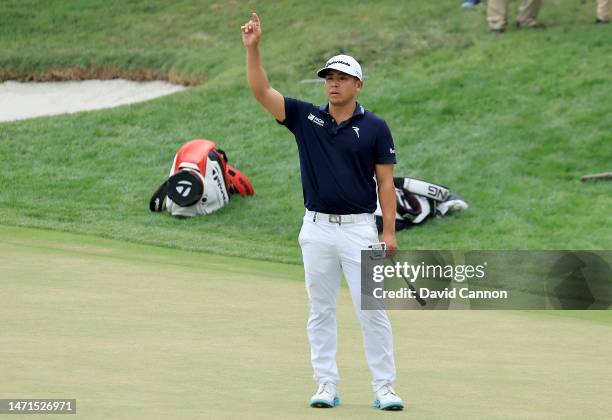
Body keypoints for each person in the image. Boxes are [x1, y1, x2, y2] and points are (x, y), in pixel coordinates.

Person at [241, 12, 404, 411]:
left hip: (360, 230)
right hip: (316, 229)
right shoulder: (306, 118)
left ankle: (385, 388)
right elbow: (262, 91)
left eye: (341, 78)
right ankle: (326, 384)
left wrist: (388, 232)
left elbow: (385, 182)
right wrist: (253, 48)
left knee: (373, 311)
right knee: (321, 310)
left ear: (358, 84)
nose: (332, 83)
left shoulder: (376, 127)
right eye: (328, 77)